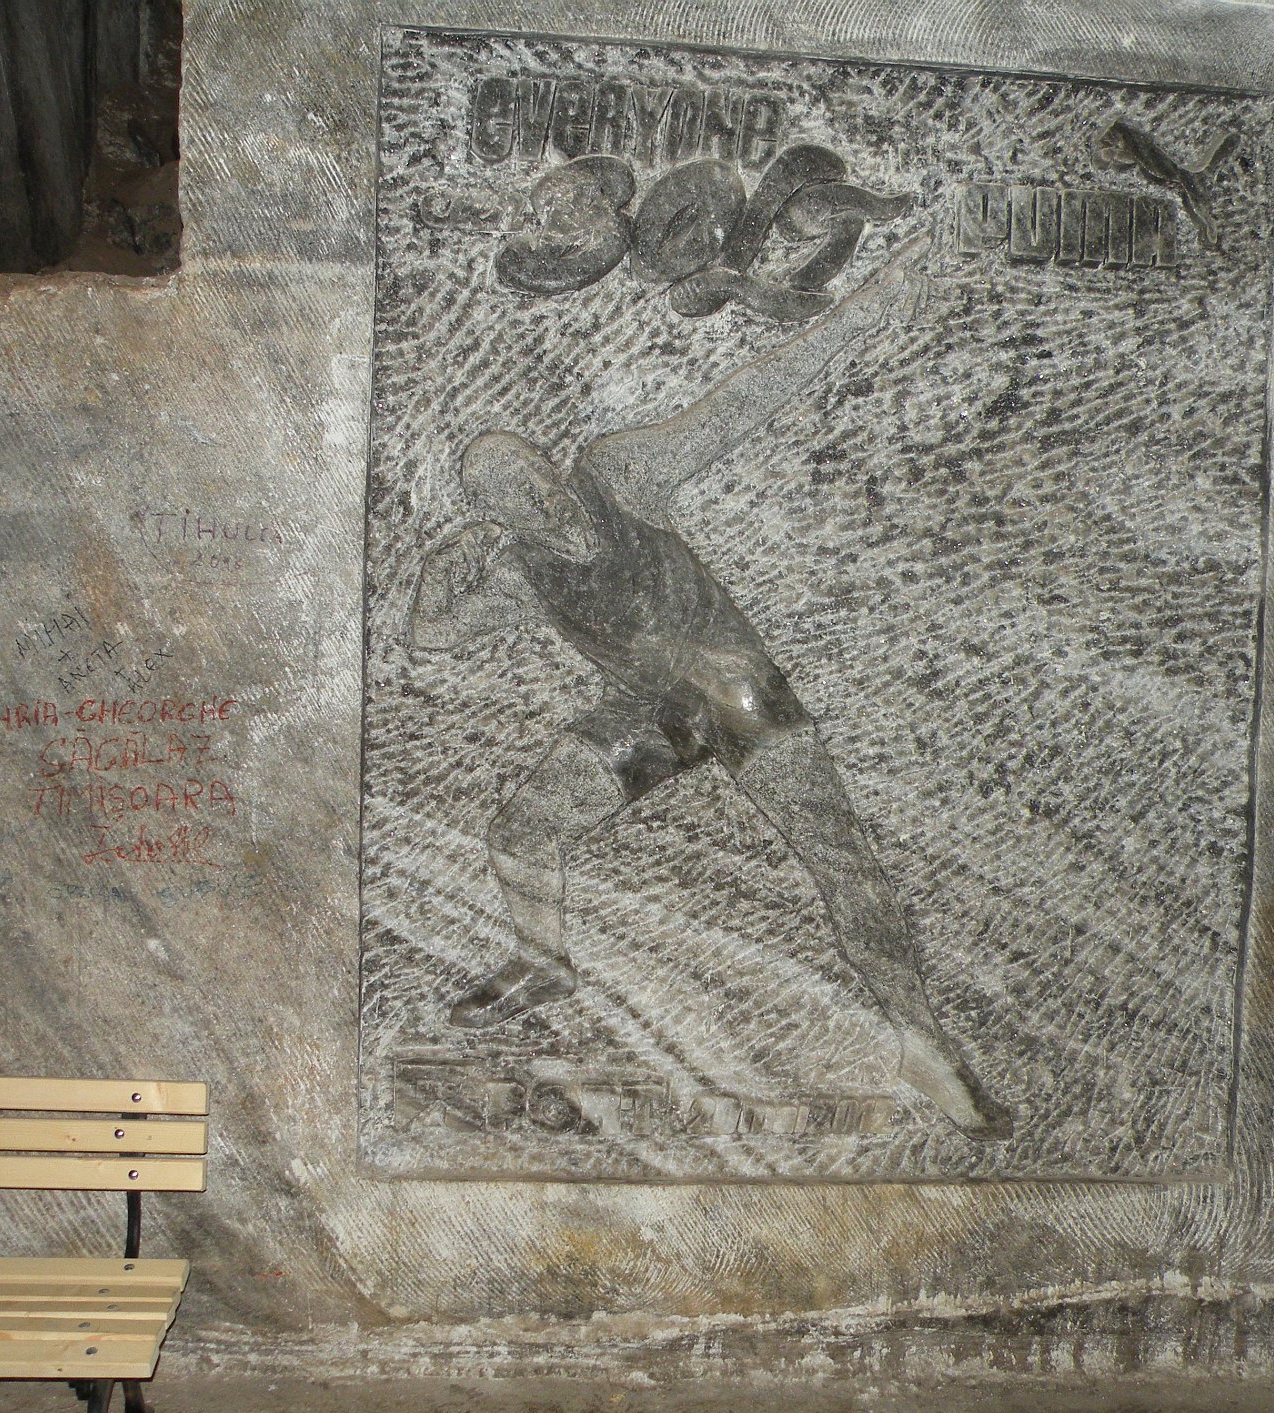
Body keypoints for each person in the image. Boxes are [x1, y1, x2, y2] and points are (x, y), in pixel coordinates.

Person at [406, 238, 1006, 1137]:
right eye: (512, 496)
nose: (538, 495)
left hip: (734, 689)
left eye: (532, 470)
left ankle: (924, 1045)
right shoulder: (523, 574)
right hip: (654, 713)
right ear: (497, 520)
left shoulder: (618, 475)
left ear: (550, 463)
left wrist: (869, 309)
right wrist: (433, 581)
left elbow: (736, 405)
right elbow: (431, 636)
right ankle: (543, 959)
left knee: (840, 860)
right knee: (523, 830)